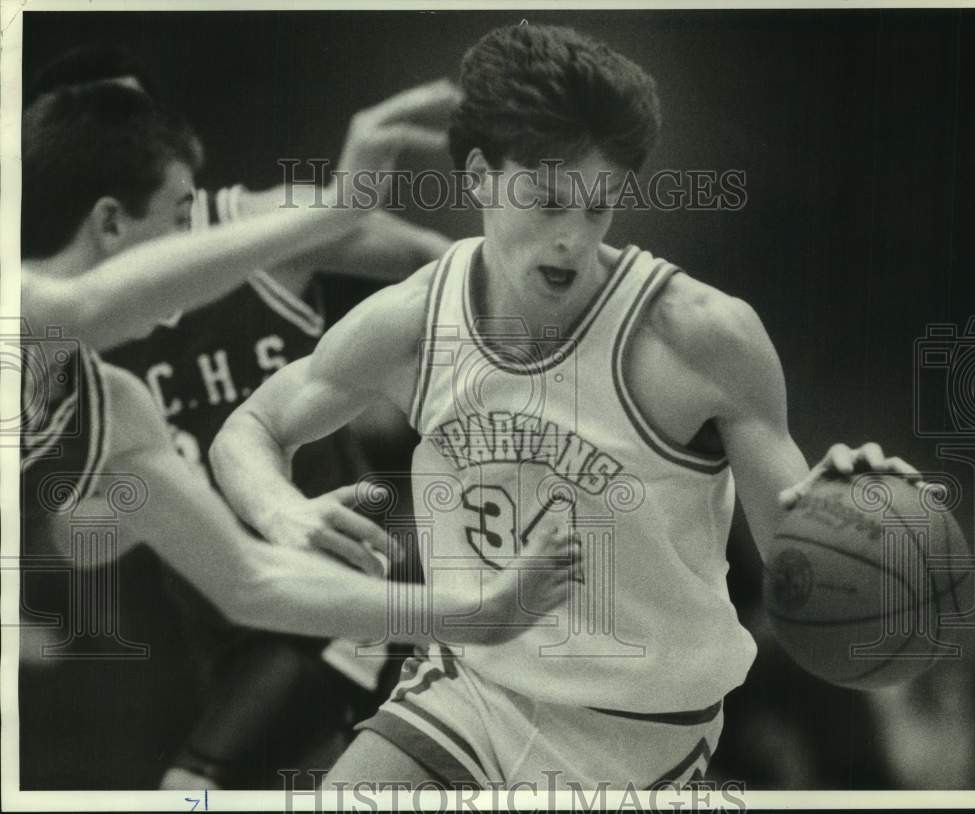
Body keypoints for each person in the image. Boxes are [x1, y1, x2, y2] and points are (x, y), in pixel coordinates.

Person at [211, 23, 933, 790]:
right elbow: (249, 428)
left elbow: (798, 566)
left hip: (642, 732)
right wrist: (283, 513)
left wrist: (854, 513)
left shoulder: (699, 337)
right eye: (549, 201)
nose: (571, 239)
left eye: (599, 207)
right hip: (471, 695)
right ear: (482, 177)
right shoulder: (417, 322)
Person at [19, 78, 577, 700]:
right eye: (181, 221)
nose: (193, 241)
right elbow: (84, 308)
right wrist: (337, 207)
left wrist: (475, 614)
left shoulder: (111, 406)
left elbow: (251, 580)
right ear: (110, 222)